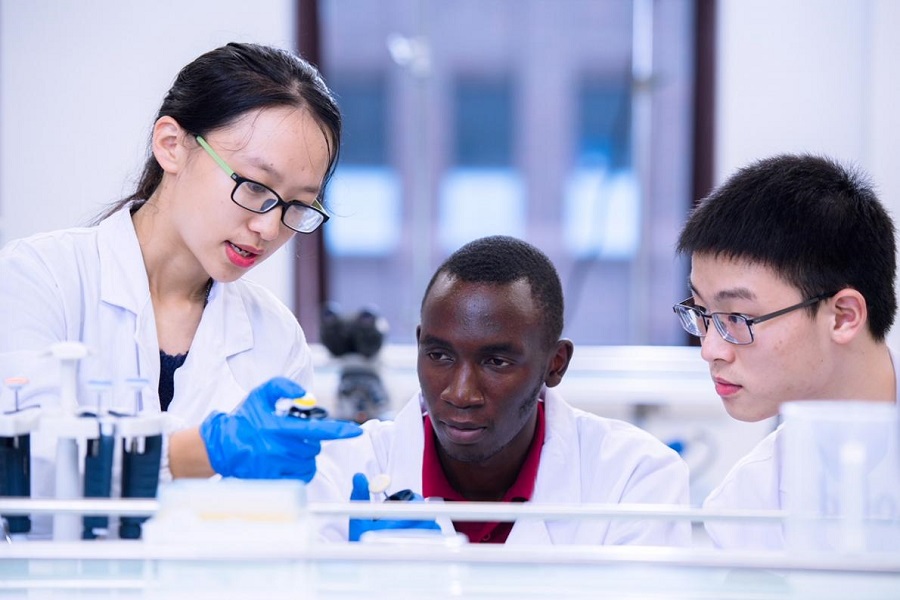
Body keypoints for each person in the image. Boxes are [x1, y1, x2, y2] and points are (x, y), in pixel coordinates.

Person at [0, 42, 361, 537]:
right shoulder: (39, 277)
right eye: (256, 186)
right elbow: (26, 469)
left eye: (297, 205)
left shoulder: (275, 336)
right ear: (172, 144)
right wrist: (203, 452)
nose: (269, 228)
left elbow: (287, 521)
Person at [310, 235, 691, 545]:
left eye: (496, 362)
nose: (460, 393)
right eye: (440, 355)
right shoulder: (345, 468)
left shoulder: (633, 477)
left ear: (555, 364)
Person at [673, 154, 898, 550]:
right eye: (703, 313)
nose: (710, 349)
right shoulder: (745, 503)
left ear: (843, 317)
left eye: (738, 317)